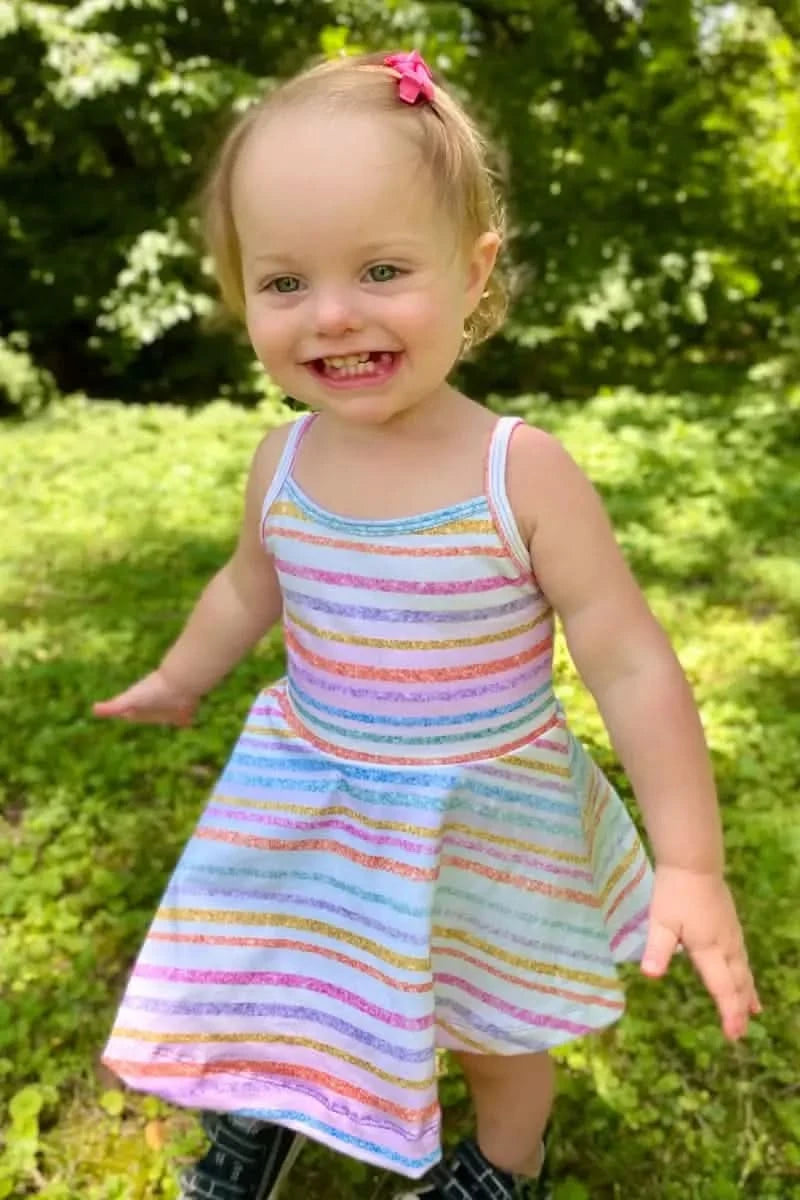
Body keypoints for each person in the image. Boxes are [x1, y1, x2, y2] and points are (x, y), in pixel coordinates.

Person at [94, 49, 760, 1200]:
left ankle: (503, 1164)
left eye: (383, 269)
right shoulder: (284, 460)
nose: (333, 314)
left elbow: (630, 663)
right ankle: (270, 1112)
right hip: (316, 795)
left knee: (494, 1027)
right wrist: (180, 672)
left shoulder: (520, 474)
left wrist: (688, 861)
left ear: (474, 271)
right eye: (284, 281)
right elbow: (251, 585)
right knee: (281, 977)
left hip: (479, 811)